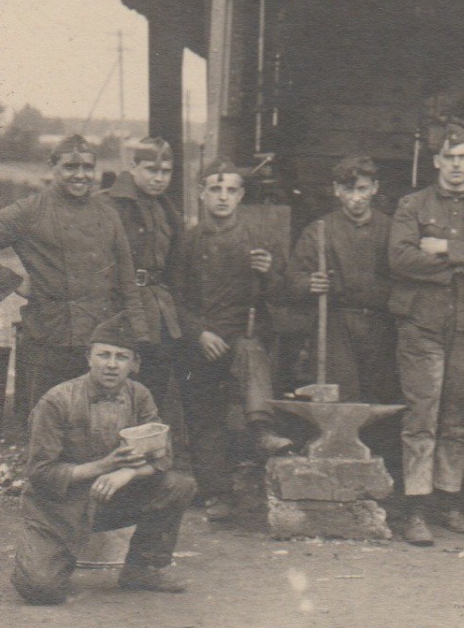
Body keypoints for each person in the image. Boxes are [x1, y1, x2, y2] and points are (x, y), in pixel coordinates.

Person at [11, 311, 197, 605]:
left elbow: (163, 456)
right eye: (103, 355)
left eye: (121, 357)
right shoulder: (57, 400)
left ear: (134, 364)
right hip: (59, 507)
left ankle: (143, 568)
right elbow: (40, 473)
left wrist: (125, 473)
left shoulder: (140, 396)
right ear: (88, 358)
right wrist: (102, 466)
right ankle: (50, 554)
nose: (111, 365)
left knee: (178, 484)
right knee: (41, 589)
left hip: (113, 498)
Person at [0, 135, 150, 432]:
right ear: (53, 167)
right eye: (70, 166)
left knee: (97, 428)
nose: (80, 175)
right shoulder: (30, 210)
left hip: (98, 340)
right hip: (48, 338)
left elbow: (126, 281)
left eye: (87, 167)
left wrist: (138, 338)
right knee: (47, 427)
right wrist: (13, 281)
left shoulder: (108, 215)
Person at [388, 126, 464, 546]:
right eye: (450, 157)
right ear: (437, 161)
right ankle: (416, 509)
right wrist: (461, 266)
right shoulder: (412, 205)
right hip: (422, 322)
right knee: (422, 415)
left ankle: (448, 500)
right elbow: (400, 258)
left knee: (459, 417)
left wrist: (442, 248)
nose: (457, 165)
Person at [169, 159, 288, 522]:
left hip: (241, 337)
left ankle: (261, 428)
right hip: (200, 341)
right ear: (202, 194)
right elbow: (171, 297)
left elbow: (281, 293)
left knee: (251, 350)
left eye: (231, 190)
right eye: (215, 190)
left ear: (241, 195)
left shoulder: (258, 238)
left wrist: (268, 274)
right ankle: (216, 494)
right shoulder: (187, 240)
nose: (223, 197)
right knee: (204, 416)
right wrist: (198, 333)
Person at [286, 154, 401, 465]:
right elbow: (292, 279)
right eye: (349, 190)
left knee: (380, 397)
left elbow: (405, 275)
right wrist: (311, 283)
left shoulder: (391, 229)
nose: (356, 198)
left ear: (375, 188)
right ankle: (341, 470)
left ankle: (382, 475)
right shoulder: (320, 230)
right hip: (337, 324)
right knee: (344, 396)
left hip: (380, 324)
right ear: (337, 190)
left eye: (362, 189)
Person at [103, 137, 187, 456]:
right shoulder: (110, 206)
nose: (159, 177)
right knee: (117, 384)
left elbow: (175, 269)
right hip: (119, 307)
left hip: (158, 309)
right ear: (132, 167)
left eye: (166, 171)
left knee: (152, 386)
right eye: (151, 169)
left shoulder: (167, 210)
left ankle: (144, 458)